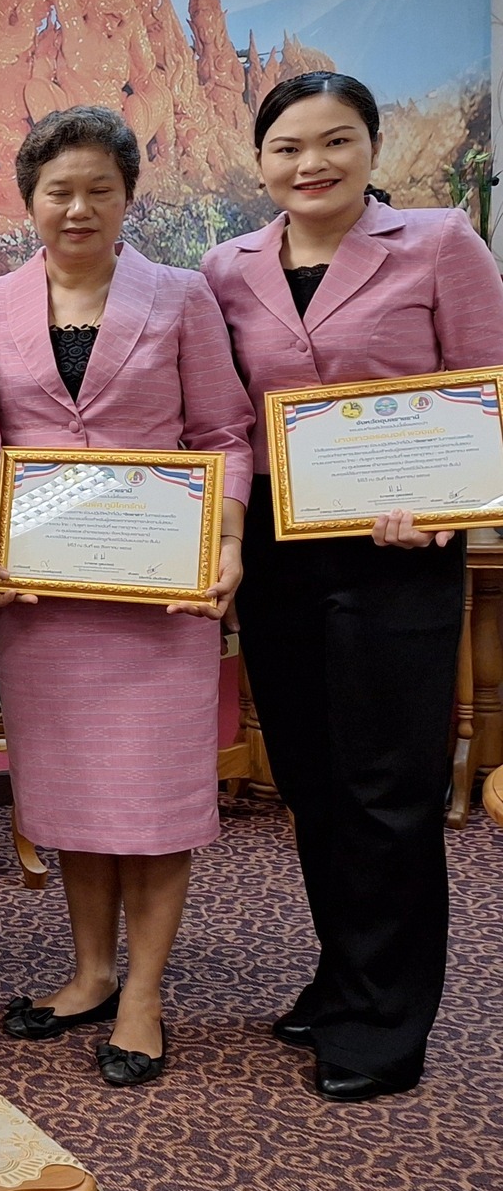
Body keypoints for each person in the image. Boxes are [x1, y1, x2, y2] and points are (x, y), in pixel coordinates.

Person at [202, 72, 503, 1101]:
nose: (310, 164)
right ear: (259, 161)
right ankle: (342, 973)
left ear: (372, 147)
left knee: (388, 787)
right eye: (286, 147)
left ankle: (385, 1018)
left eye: (334, 142)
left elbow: (483, 390)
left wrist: (443, 504)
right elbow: (227, 418)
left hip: (399, 550)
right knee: (313, 781)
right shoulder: (225, 266)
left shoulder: (437, 245)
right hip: (282, 550)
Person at [0, 107, 253, 1087]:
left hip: (156, 592)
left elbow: (221, 430)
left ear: (128, 194)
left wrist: (223, 539)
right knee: (75, 795)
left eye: (98, 186)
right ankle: (87, 971)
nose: (76, 205)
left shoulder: (179, 296)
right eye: (58, 189)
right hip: (43, 597)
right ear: (28, 201)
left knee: (156, 800)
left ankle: (141, 992)